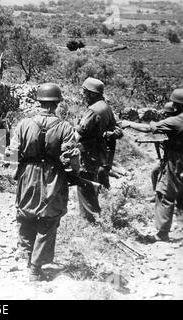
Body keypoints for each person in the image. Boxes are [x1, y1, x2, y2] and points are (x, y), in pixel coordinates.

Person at [6, 83, 79, 281]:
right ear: (57, 103)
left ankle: (26, 254)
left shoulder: (23, 124)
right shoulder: (65, 127)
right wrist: (74, 172)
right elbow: (72, 155)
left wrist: (19, 167)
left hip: (28, 174)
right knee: (49, 219)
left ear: (39, 102)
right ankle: (36, 268)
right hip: (53, 176)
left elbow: (11, 154)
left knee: (26, 214)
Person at [120, 88, 183, 242]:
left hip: (177, 160)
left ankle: (162, 233)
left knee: (164, 194)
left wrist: (128, 123)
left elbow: (148, 128)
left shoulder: (176, 120)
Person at [76, 77, 121, 223]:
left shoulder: (93, 110)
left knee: (85, 182)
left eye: (85, 92)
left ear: (91, 93)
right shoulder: (106, 107)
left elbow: (80, 132)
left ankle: (90, 218)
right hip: (99, 152)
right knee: (92, 180)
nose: (83, 95)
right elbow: (114, 127)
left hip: (89, 152)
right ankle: (94, 214)